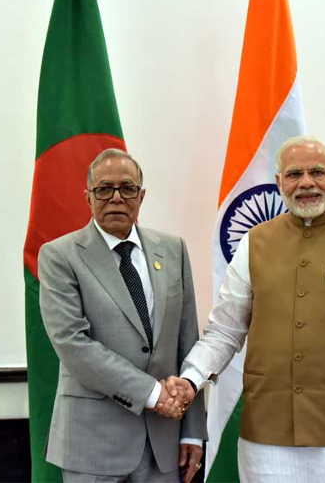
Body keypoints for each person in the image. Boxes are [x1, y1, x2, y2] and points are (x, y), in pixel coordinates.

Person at [169, 135, 325, 483]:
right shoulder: (254, 243)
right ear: (279, 183)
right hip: (267, 442)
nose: (306, 183)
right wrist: (190, 379)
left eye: (317, 172)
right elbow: (225, 331)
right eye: (294, 175)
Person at [38, 148, 207, 483]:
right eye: (104, 189)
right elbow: (73, 345)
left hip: (164, 445)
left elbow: (188, 341)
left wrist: (192, 431)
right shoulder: (60, 256)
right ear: (88, 197)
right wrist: (155, 395)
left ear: (141, 196)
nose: (116, 197)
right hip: (93, 445)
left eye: (127, 189)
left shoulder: (173, 249)